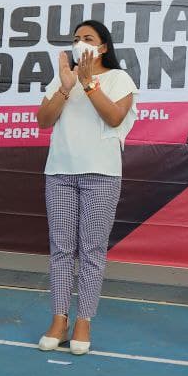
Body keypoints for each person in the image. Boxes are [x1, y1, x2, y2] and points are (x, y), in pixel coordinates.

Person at [34, 20, 138, 355]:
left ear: (103, 47)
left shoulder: (119, 79)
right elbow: (43, 120)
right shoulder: (64, 77)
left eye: (88, 38)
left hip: (101, 175)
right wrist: (66, 87)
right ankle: (59, 319)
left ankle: (84, 320)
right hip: (60, 173)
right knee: (61, 250)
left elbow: (114, 117)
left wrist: (88, 83)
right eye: (76, 38)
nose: (80, 43)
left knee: (92, 251)